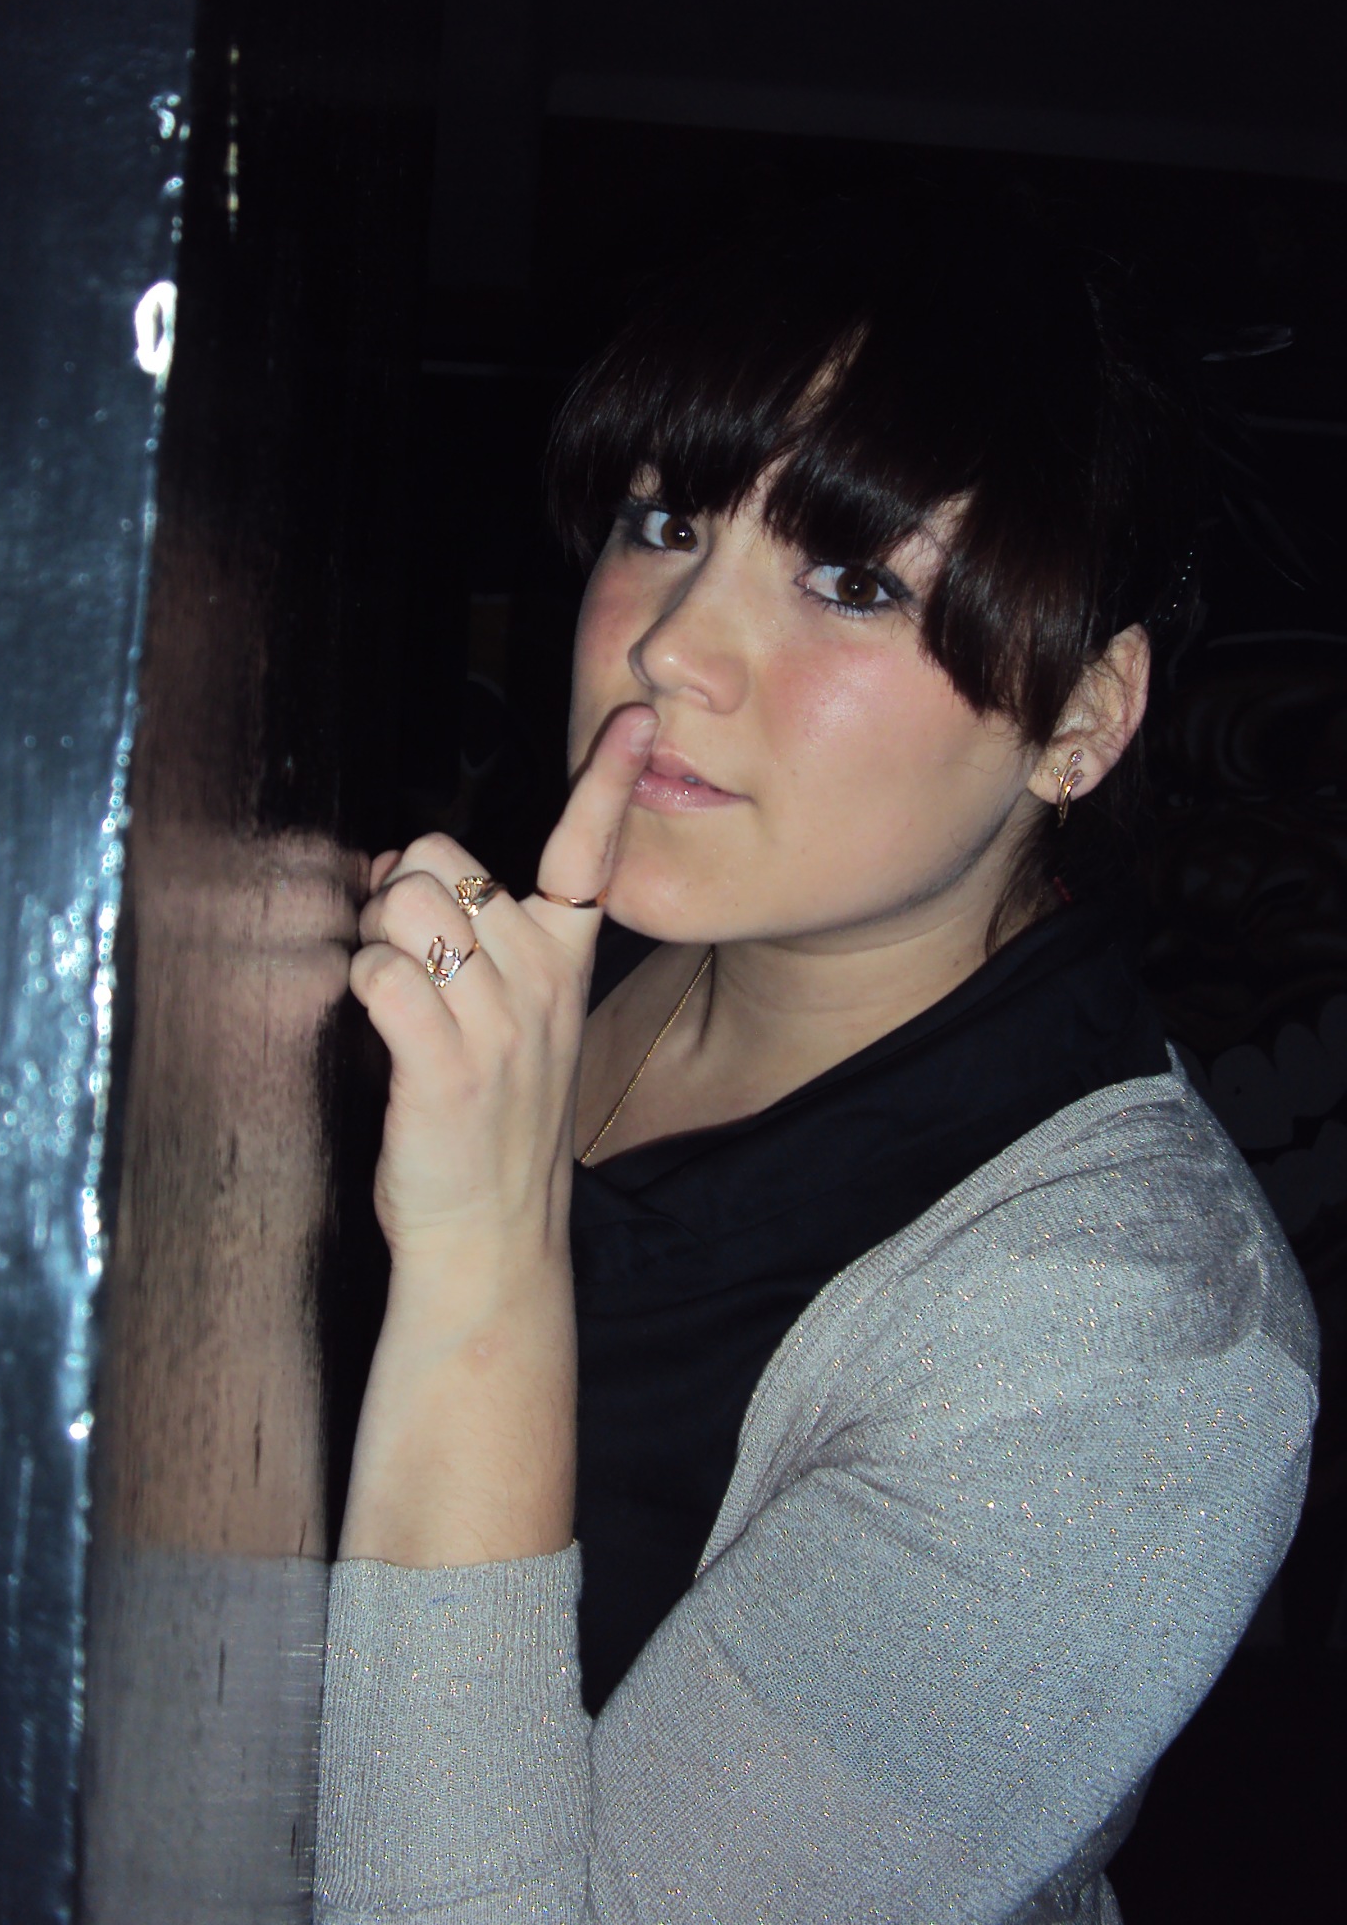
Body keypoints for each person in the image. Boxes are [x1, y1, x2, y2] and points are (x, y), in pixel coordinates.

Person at [313, 200, 1318, 1923]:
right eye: (665, 520)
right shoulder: (576, 944)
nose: (670, 648)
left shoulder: (1140, 1347)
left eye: (854, 581)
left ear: (1081, 718)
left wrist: (483, 1264)